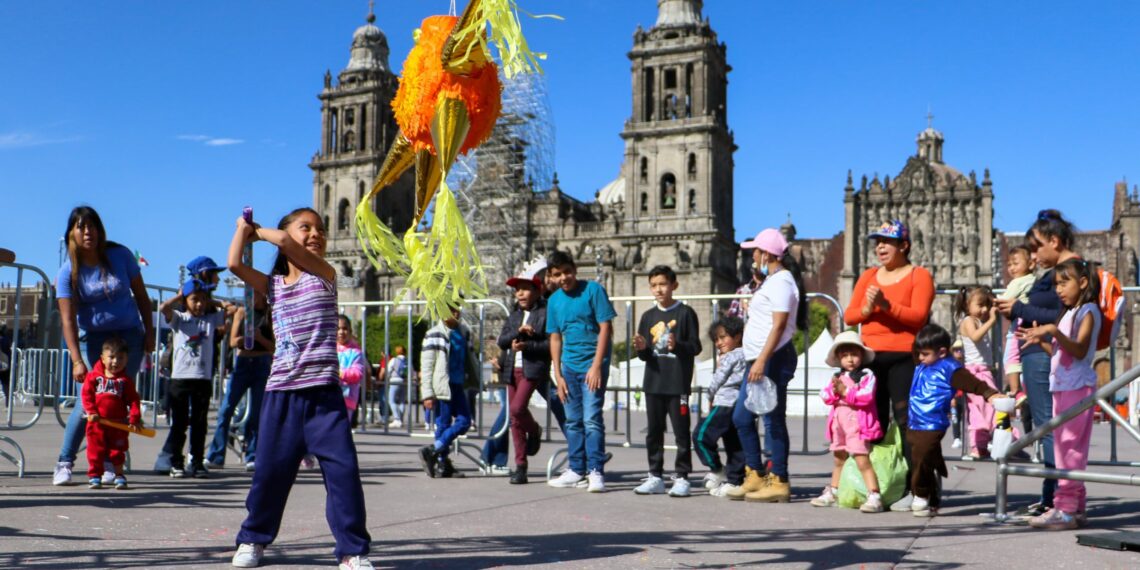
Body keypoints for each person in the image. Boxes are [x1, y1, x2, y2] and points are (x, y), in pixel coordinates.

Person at [228, 207, 372, 570]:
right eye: (305, 227)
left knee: (343, 473)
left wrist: (257, 231)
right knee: (270, 474)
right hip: (282, 393)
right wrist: (242, 230)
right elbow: (234, 264)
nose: (316, 234)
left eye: (320, 229)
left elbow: (284, 241)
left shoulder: (325, 275)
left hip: (324, 395)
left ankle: (352, 551)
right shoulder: (273, 286)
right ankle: (253, 539)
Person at [53, 206, 155, 487]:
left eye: (93, 226)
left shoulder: (120, 255)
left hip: (129, 336)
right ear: (71, 234)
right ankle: (65, 462)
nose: (88, 232)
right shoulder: (67, 272)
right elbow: (67, 320)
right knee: (86, 402)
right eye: (81, 227)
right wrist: (76, 360)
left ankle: (111, 463)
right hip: (95, 340)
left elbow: (142, 297)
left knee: (118, 399)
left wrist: (149, 333)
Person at [842, 219, 934, 512]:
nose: (880, 247)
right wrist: (867, 308)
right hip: (871, 358)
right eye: (877, 242)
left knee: (907, 421)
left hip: (904, 356)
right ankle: (880, 486)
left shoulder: (919, 275)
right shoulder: (869, 275)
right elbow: (850, 315)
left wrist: (886, 305)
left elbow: (918, 316)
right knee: (873, 423)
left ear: (903, 245)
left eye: (887, 242)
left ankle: (919, 489)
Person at [993, 209, 1078, 519]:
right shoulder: (1056, 270)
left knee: (1048, 426)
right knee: (1046, 426)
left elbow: (1059, 315)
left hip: (1042, 353)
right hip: (1035, 352)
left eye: (1036, 246)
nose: (1033, 254)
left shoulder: (1068, 271)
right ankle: (1051, 495)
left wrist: (1019, 308)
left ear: (1054, 241)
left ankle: (1055, 498)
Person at [1017, 258, 1100, 530]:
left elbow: (1079, 350)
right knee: (1063, 448)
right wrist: (1041, 341)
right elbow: (1061, 353)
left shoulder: (1088, 311)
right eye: (1057, 285)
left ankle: (1065, 508)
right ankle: (1075, 507)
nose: (1059, 290)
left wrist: (1052, 330)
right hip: (1063, 386)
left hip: (1077, 387)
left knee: (1070, 450)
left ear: (1083, 282)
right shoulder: (1069, 312)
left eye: (1065, 283)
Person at [725, 228, 804, 503]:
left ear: (767, 254)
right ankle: (755, 473)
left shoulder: (782, 281)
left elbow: (779, 324)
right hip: (759, 358)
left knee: (772, 419)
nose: (753, 257)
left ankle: (779, 479)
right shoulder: (772, 281)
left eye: (755, 252)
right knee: (742, 417)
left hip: (772, 357)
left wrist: (761, 359)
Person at [906, 324, 1002, 518]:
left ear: (942, 352)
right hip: (914, 421)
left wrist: (989, 393)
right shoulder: (923, 364)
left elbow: (972, 383)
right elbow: (915, 351)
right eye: (919, 353)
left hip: (932, 423)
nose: (920, 357)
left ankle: (921, 494)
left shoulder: (950, 368)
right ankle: (933, 498)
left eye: (925, 354)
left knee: (922, 457)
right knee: (921, 458)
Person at [545, 250, 616, 493]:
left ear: (574, 270)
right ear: (551, 276)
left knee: (591, 419)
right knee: (573, 420)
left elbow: (605, 328)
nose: (563, 277)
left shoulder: (593, 290)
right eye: (557, 274)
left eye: (567, 272)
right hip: (568, 367)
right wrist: (558, 375)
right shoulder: (554, 301)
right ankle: (576, 469)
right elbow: (555, 338)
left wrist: (596, 366)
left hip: (592, 365)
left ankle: (595, 471)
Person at [632, 265, 702, 497]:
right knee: (653, 432)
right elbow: (646, 355)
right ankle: (655, 476)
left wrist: (677, 345)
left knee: (681, 432)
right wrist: (642, 349)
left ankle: (682, 477)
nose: (658, 289)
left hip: (677, 384)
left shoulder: (685, 313)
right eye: (654, 285)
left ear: (674, 285)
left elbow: (696, 346)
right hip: (653, 383)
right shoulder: (647, 316)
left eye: (663, 284)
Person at [158, 279, 227, 479]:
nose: (199, 304)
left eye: (203, 300)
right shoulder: (180, 318)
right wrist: (180, 296)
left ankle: (196, 462)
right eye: (194, 299)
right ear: (185, 301)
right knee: (179, 423)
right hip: (180, 378)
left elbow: (232, 309)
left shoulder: (210, 320)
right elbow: (163, 308)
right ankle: (176, 462)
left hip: (202, 378)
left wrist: (212, 301)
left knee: (199, 423)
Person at [811, 331, 883, 512]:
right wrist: (836, 391)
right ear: (838, 358)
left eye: (854, 355)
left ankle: (874, 495)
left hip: (857, 425)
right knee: (838, 459)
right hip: (839, 425)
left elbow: (866, 396)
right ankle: (834, 490)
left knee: (861, 459)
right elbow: (825, 395)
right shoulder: (837, 377)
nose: (850, 359)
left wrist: (845, 392)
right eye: (845, 355)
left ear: (862, 356)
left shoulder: (866, 375)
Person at [497, 265, 552, 485]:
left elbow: (550, 345)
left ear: (537, 291)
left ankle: (535, 430)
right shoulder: (514, 315)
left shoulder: (545, 312)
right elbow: (502, 341)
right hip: (511, 369)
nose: (520, 293)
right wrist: (518, 332)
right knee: (514, 420)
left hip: (532, 369)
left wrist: (528, 344)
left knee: (517, 409)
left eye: (525, 289)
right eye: (517, 289)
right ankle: (520, 466)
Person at [206, 293, 273, 471]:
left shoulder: (270, 313)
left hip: (262, 363)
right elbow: (233, 342)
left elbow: (274, 346)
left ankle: (253, 455)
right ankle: (216, 455)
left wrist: (260, 338)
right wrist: (247, 338)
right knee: (226, 409)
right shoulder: (242, 312)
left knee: (256, 413)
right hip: (243, 362)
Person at [418, 306, 479, 479]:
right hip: (442, 386)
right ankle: (442, 464)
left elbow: (471, 358)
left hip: (458, 385)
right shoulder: (434, 334)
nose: (455, 313)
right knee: (443, 424)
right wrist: (427, 394)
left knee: (465, 421)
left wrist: (476, 378)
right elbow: (426, 366)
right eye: (450, 309)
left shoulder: (463, 332)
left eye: (457, 308)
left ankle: (434, 449)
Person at [693, 317, 746, 498]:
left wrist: (709, 395)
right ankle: (735, 479)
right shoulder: (746, 354)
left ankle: (716, 468)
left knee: (701, 436)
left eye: (723, 337)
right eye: (716, 339)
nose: (719, 343)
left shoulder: (731, 356)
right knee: (734, 444)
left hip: (724, 403)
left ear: (737, 337)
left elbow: (719, 378)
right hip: (737, 404)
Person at [81, 337, 142, 490]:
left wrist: (134, 417)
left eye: (120, 358)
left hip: (118, 424)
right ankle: (95, 475)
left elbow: (133, 400)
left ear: (127, 360)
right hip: (97, 423)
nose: (115, 362)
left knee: (118, 451)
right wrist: (91, 411)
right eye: (112, 357)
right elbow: (87, 395)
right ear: (102, 358)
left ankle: (119, 475)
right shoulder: (93, 377)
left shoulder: (125, 381)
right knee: (95, 450)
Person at [956, 286, 1000, 460]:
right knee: (989, 406)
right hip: (976, 372)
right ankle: (986, 443)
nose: (985, 309)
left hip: (982, 370)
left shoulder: (979, 321)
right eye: (980, 305)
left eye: (987, 305)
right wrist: (992, 320)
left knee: (982, 409)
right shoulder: (968, 320)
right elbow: (975, 337)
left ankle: (980, 446)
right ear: (967, 305)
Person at [999, 245, 1037, 397]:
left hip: (1019, 324)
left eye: (1016, 264)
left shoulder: (1018, 282)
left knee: (1011, 357)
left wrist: (990, 302)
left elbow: (1004, 299)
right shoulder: (1034, 280)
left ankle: (1016, 390)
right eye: (1009, 265)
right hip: (1030, 323)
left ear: (1031, 264)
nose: (1012, 268)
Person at [337, 315, 367, 431]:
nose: (341, 332)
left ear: (350, 331)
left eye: (344, 329)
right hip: (329, 397)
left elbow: (358, 373)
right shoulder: (329, 350)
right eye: (338, 328)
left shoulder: (356, 352)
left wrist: (340, 373)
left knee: (342, 431)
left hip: (347, 399)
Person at [385, 345, 408, 429]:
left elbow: (388, 370)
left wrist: (388, 378)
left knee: (391, 400)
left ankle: (396, 419)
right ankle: (400, 419)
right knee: (402, 401)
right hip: (404, 381)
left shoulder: (394, 360)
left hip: (394, 380)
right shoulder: (407, 361)